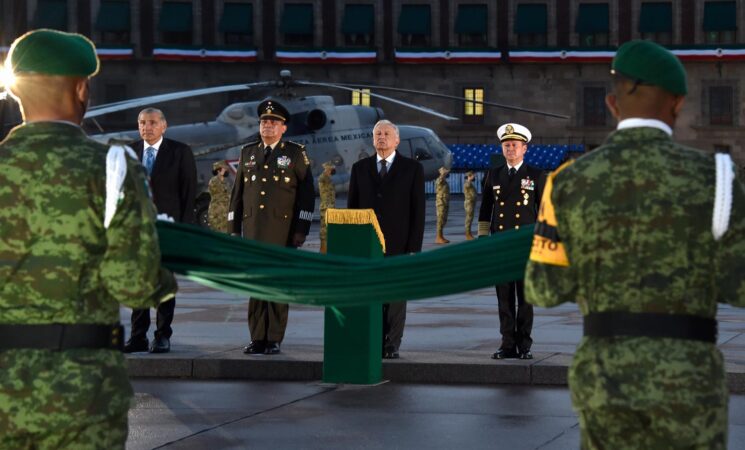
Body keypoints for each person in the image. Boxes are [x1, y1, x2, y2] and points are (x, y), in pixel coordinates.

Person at [525, 40, 745, 449]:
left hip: (604, 374)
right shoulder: (717, 178)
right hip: (688, 375)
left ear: (612, 104)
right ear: (677, 104)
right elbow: (739, 287)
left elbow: (544, 288)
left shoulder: (568, 181)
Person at [0, 29, 175, 448]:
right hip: (82, 391)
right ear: (81, 87)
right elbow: (133, 283)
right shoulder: (113, 167)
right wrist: (164, 272)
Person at [228, 99, 315, 355]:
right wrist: (233, 230)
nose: (268, 126)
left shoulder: (295, 153)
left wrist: (301, 229)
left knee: (277, 285)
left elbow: (307, 194)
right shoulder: (248, 152)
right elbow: (237, 195)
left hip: (282, 231)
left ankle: (274, 338)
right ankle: (257, 338)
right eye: (265, 122)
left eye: (274, 122)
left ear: (283, 128)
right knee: (256, 285)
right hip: (253, 231)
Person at [348, 120, 425, 359]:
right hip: (368, 244)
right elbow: (352, 210)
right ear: (373, 139)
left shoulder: (412, 169)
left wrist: (413, 247)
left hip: (399, 243)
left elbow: (418, 211)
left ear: (397, 140)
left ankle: (392, 343)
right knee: (370, 294)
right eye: (377, 133)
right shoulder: (359, 168)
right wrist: (353, 245)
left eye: (387, 134)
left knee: (394, 296)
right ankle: (373, 338)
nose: (382, 137)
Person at [124, 107, 197, 354]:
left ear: (164, 126)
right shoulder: (128, 152)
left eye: (153, 122)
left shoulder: (180, 152)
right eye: (142, 123)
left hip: (168, 231)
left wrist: (185, 233)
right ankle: (138, 337)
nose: (147, 127)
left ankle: (162, 335)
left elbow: (189, 195)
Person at [478, 123, 545, 360]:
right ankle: (507, 344)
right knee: (504, 299)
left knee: (525, 299)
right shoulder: (493, 174)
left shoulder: (536, 175)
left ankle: (524, 345)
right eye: (506, 145)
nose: (510, 149)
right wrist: (484, 240)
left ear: (525, 148)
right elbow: (486, 209)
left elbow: (545, 211)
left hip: (525, 245)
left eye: (515, 145)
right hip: (501, 245)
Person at [208, 160, 231, 233]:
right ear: (218, 170)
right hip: (217, 211)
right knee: (217, 231)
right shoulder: (214, 181)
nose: (226, 170)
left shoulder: (226, 181)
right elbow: (218, 194)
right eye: (224, 169)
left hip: (225, 211)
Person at [318, 160, 336, 253]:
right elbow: (321, 178)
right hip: (326, 207)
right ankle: (323, 250)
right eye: (331, 169)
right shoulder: (323, 177)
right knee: (324, 230)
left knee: (329, 229)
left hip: (330, 207)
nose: (333, 171)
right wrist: (326, 169)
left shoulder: (329, 178)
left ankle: (327, 249)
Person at [435, 166, 450, 244]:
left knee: (443, 220)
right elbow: (439, 181)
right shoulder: (439, 180)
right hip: (440, 203)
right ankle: (438, 237)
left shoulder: (444, 181)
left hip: (444, 202)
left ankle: (441, 236)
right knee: (440, 219)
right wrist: (442, 174)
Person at [463, 170, 477, 240]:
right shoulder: (467, 184)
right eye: (472, 176)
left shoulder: (470, 184)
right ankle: (467, 234)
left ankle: (469, 233)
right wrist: (469, 178)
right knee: (468, 219)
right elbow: (467, 185)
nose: (474, 177)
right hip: (469, 203)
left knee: (470, 218)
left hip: (471, 203)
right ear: (469, 176)